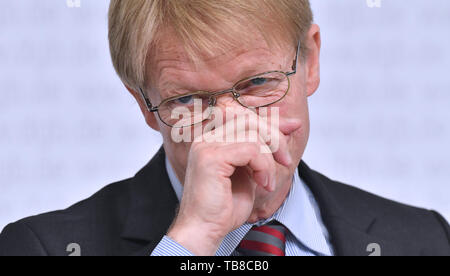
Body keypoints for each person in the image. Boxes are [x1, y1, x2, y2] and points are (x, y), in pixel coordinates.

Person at [0, 0, 449, 256]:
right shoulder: (42, 248)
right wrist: (191, 239)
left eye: (257, 83)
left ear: (310, 61)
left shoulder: (424, 239)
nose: (236, 126)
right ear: (144, 105)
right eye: (188, 101)